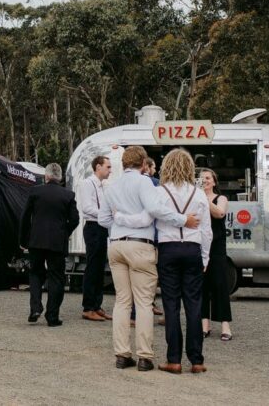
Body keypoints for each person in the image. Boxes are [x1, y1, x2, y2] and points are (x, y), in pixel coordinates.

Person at [98, 146, 199, 372]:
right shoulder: (144, 182)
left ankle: (122, 354)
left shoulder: (112, 186)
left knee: (122, 301)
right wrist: (183, 220)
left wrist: (121, 219)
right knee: (143, 302)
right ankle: (144, 356)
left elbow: (104, 219)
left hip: (116, 245)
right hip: (140, 246)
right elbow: (155, 210)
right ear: (143, 163)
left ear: (124, 164)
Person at [19, 163, 80, 327]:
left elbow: (25, 217)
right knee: (56, 277)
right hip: (57, 242)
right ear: (60, 178)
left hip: (36, 240)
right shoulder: (68, 195)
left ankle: (35, 308)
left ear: (46, 176)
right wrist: (64, 232)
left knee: (35, 273)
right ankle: (52, 316)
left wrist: (23, 240)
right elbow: (75, 219)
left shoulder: (35, 191)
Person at [76, 155, 112, 322]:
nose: (110, 170)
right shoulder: (87, 184)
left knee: (99, 268)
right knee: (92, 267)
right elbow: (87, 208)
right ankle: (88, 307)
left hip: (102, 228)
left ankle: (97, 305)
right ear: (98, 167)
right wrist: (108, 214)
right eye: (108, 167)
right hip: (93, 227)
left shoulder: (103, 186)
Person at [200, 169, 232, 341]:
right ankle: (205, 324)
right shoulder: (197, 198)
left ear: (214, 182)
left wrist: (204, 199)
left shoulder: (221, 198)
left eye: (207, 178)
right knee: (202, 285)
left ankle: (225, 325)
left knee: (220, 284)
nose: (204, 180)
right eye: (202, 178)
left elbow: (219, 213)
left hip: (217, 246)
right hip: (201, 245)